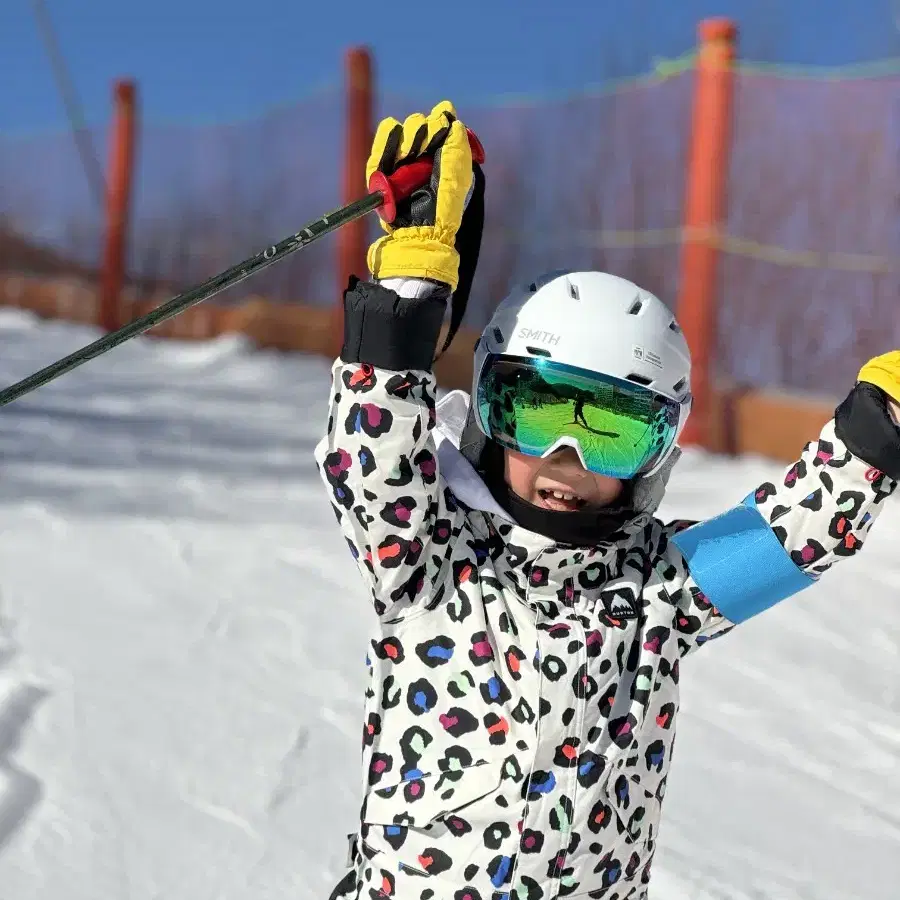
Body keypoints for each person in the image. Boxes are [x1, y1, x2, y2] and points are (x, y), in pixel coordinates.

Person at [315, 102, 900, 900]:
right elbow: (370, 462)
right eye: (540, 413)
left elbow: (789, 537)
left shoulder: (658, 594)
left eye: (612, 433)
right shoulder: (431, 565)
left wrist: (877, 433)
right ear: (490, 408)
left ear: (655, 453)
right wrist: (411, 280)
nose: (568, 458)